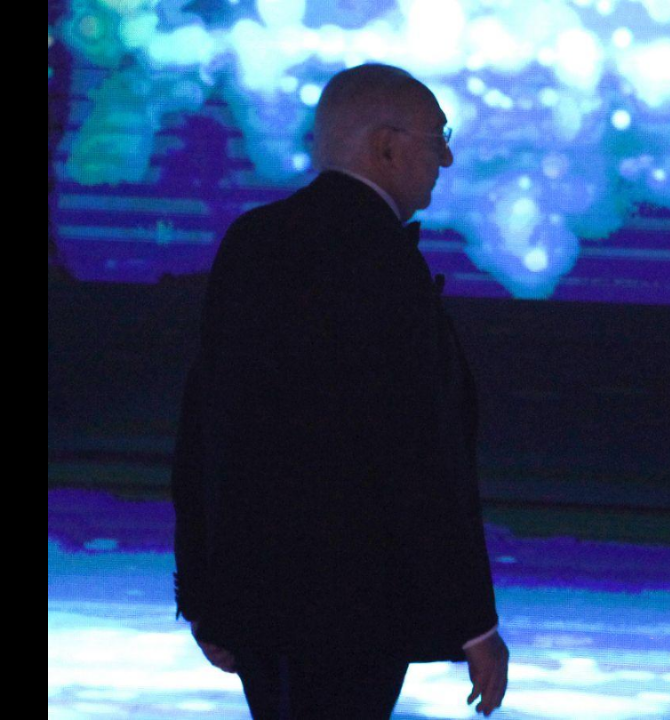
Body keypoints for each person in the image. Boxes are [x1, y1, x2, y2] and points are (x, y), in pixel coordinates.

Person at [170, 63, 508, 719]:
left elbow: (205, 429)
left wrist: (206, 596)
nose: (446, 158)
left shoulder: (252, 241)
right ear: (386, 146)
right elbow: (420, 454)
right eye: (437, 137)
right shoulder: (386, 264)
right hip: (357, 610)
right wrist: (475, 623)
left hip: (256, 601)